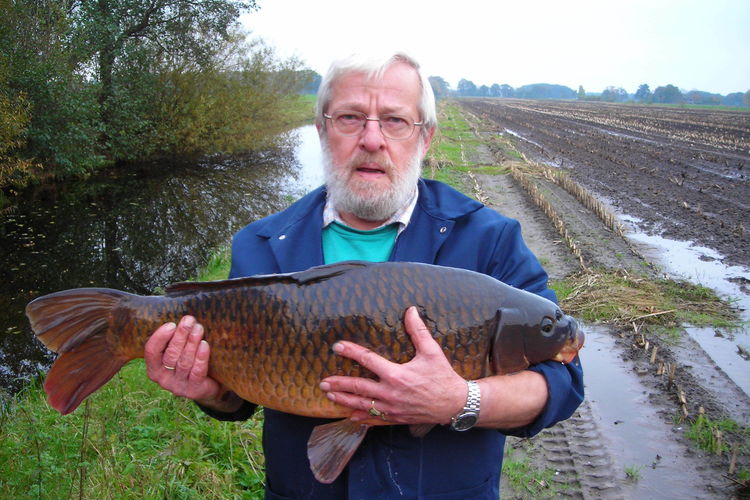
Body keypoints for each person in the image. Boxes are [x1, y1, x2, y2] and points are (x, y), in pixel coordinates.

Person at [144, 52, 584, 499]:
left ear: (425, 138)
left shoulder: (490, 240)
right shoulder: (261, 246)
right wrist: (208, 390)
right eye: (351, 118)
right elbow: (236, 399)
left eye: (395, 121)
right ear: (322, 130)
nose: (372, 139)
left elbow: (561, 382)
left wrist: (459, 399)